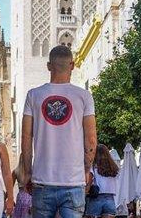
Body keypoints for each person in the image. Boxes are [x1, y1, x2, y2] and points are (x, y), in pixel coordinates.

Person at [19, 44, 98, 218]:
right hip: (73, 181)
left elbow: (26, 138)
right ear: (72, 65)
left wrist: (28, 172)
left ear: (49, 66)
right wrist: (86, 170)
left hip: (42, 180)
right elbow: (91, 139)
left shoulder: (33, 95)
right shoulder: (84, 96)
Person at [85, 144, 120, 218]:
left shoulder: (93, 167)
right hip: (110, 199)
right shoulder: (113, 168)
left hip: (96, 199)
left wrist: (85, 192)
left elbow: (89, 182)